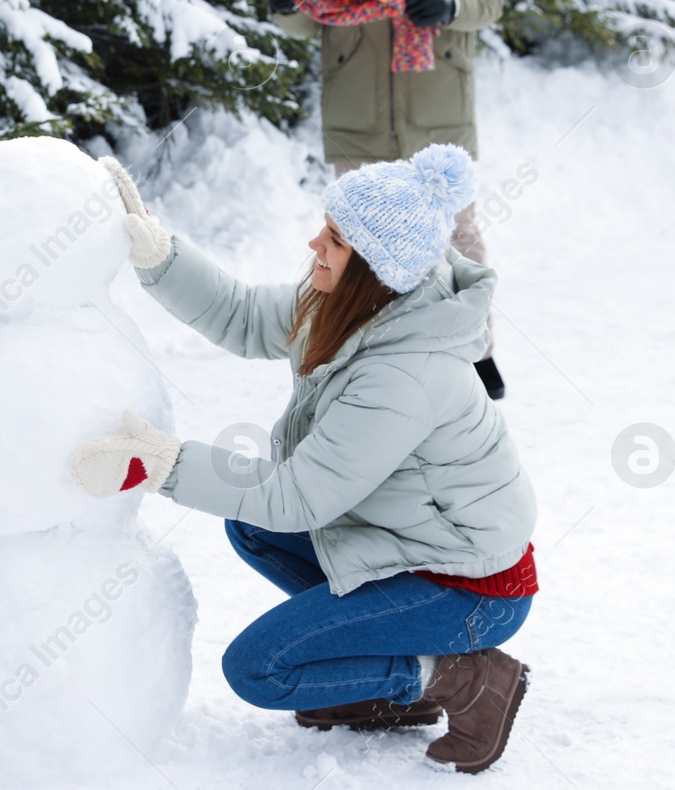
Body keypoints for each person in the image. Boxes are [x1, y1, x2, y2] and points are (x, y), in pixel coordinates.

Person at [72, 144, 537, 775]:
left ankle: (463, 678)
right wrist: (158, 252)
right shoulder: (350, 305)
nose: (315, 242)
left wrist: (162, 466)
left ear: (375, 266)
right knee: (253, 526)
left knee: (260, 669)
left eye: (336, 238)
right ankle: (378, 680)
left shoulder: (404, 374)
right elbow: (240, 315)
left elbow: (299, 497)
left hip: (466, 589)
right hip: (409, 545)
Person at [266, 0, 508, 398]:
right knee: (353, 243)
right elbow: (309, 8)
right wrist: (285, 5)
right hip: (357, 105)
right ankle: (359, 360)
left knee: (457, 236)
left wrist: (449, 2)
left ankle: (477, 352)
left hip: (437, 102)